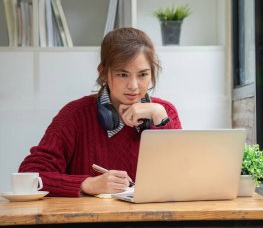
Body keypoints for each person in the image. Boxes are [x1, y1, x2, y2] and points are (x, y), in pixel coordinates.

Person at [19, 27, 182, 197]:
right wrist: (86, 184)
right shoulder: (75, 115)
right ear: (103, 73)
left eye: (142, 74)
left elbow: (184, 175)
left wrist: (161, 119)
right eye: (122, 74)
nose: (133, 85)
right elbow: (29, 176)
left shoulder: (165, 112)